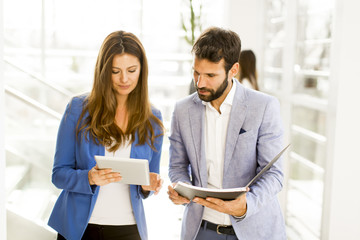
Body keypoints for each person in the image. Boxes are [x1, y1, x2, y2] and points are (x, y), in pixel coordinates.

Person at [167, 27, 286, 240]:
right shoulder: (182, 110)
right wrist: (180, 189)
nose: (200, 83)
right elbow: (177, 166)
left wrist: (245, 205)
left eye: (210, 75)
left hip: (253, 229)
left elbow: (274, 174)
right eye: (196, 72)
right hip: (202, 229)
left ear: (233, 70)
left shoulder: (264, 107)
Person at [48, 30, 164, 240]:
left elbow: (148, 182)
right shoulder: (78, 109)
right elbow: (58, 174)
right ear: (103, 71)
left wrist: (149, 186)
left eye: (131, 70)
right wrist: (89, 177)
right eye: (115, 71)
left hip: (128, 229)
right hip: (81, 229)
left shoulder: (153, 118)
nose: (124, 79)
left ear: (142, 70)